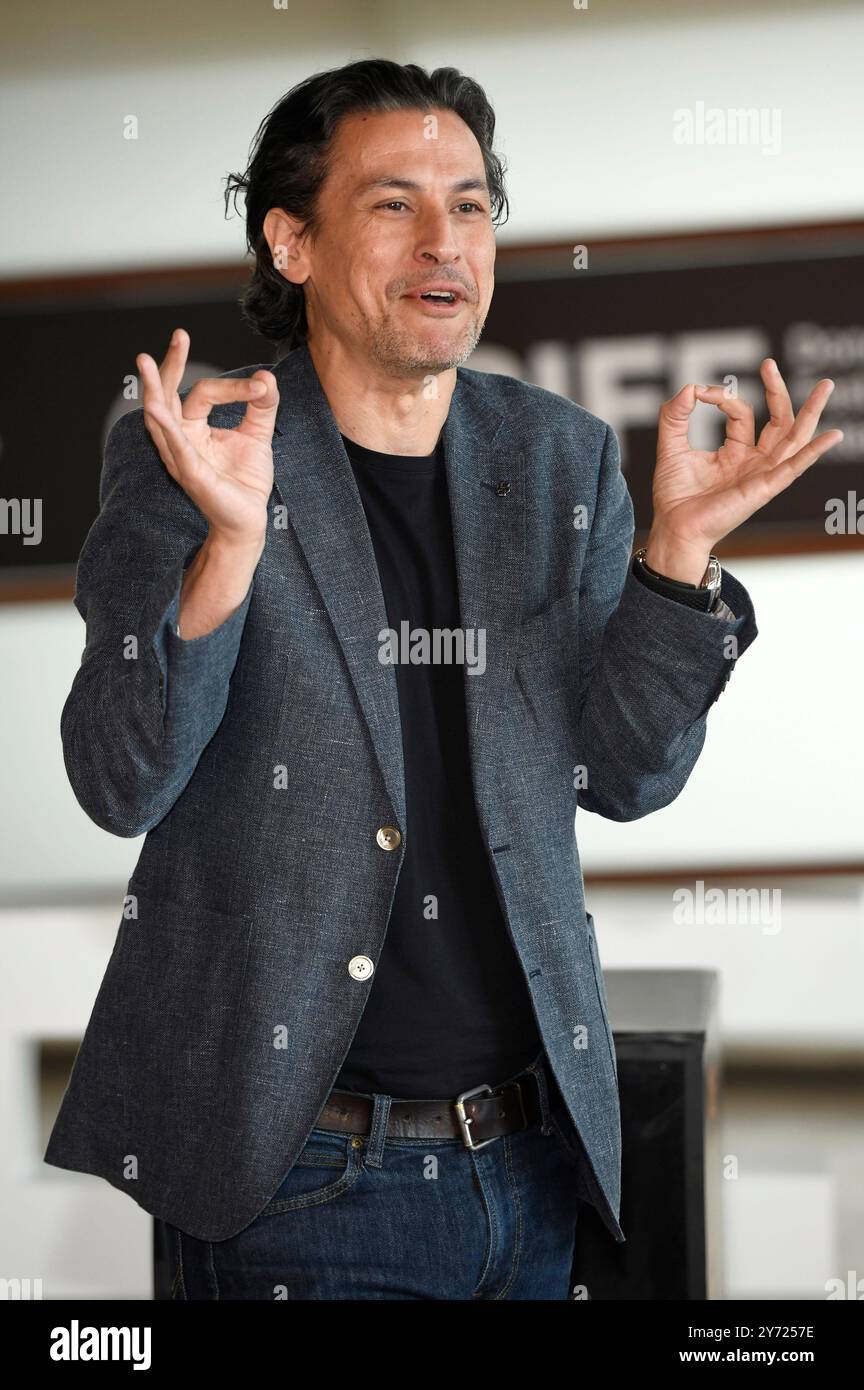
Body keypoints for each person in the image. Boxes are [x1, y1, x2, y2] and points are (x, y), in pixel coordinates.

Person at [45, 58, 841, 1301]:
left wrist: (675, 562)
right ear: (291, 240)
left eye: (471, 205)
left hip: (526, 1161)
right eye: (395, 203)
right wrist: (233, 551)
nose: (446, 242)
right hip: (300, 1176)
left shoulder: (556, 454)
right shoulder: (195, 447)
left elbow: (626, 777)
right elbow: (118, 779)